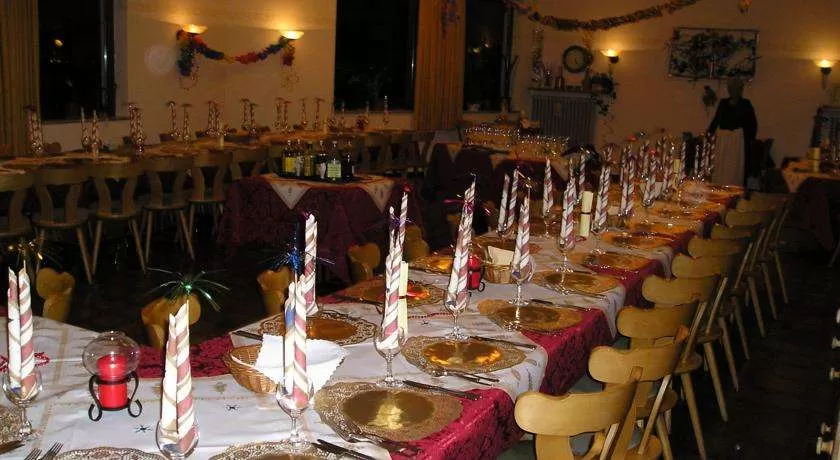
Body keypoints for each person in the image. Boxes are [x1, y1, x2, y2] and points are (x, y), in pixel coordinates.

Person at [707, 78, 757, 186]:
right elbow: (716, 120)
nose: (732, 90)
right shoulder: (723, 103)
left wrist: (748, 139)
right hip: (723, 141)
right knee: (721, 165)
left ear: (740, 89)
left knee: (735, 167)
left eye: (735, 88)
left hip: (739, 142)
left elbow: (752, 124)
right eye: (730, 88)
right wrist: (708, 135)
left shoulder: (746, 104)